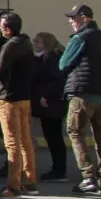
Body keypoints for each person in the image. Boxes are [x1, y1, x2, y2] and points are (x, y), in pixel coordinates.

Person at [58, 4, 101, 196]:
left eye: (74, 18)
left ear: (84, 18)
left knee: (75, 131)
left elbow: (64, 63)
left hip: (83, 93)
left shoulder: (80, 38)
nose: (71, 21)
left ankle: (88, 177)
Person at [0, 12, 38, 198]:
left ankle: (13, 186)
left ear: (6, 28)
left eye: (2, 26)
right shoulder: (25, 43)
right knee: (25, 141)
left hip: (9, 98)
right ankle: (30, 180)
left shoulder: (11, 46)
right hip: (24, 97)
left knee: (12, 143)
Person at [30, 32, 69, 182]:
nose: (35, 44)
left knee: (54, 137)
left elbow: (58, 80)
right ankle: (58, 168)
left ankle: (59, 170)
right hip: (47, 104)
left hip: (51, 104)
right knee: (51, 137)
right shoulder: (41, 58)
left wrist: (45, 95)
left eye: (38, 41)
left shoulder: (51, 58)